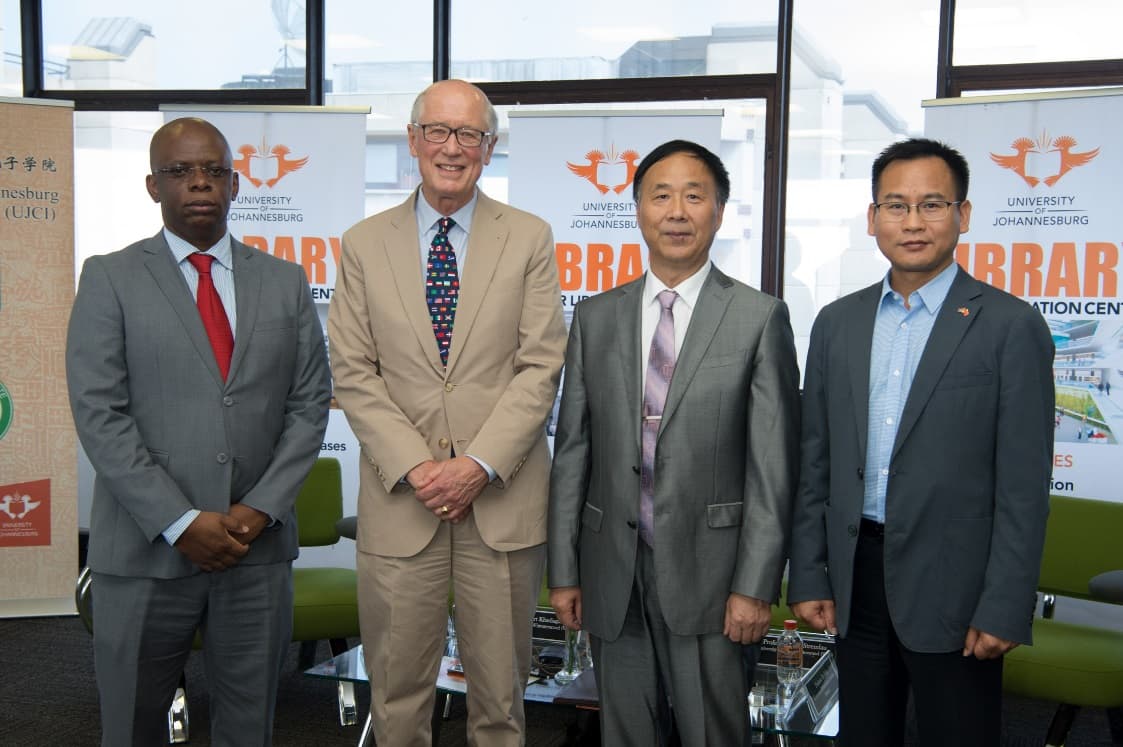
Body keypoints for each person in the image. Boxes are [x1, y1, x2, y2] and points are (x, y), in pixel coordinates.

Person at [66, 117, 332, 745]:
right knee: (133, 723)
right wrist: (181, 521)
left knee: (249, 725)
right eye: (180, 172)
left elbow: (309, 402)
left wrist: (260, 510)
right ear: (152, 186)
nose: (199, 184)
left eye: (213, 170)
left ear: (236, 185)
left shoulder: (285, 281)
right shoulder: (109, 277)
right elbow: (100, 412)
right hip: (143, 551)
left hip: (254, 549)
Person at [787, 137, 1055, 746]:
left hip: (958, 588)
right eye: (895, 205)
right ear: (873, 218)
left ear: (962, 215)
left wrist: (1004, 604)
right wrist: (808, 574)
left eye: (932, 205)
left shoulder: (1010, 326)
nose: (913, 222)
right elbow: (816, 461)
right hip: (856, 580)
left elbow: (1023, 484)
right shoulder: (837, 322)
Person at [327, 79, 566, 746]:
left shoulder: (528, 238)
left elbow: (540, 365)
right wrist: (420, 468)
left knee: (500, 699)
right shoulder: (362, 244)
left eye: (469, 135)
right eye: (437, 131)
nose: (451, 148)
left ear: (489, 149)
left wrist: (476, 465)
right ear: (412, 141)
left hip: (501, 504)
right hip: (402, 504)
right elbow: (353, 371)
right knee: (399, 698)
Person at [548, 139, 801, 745]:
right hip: (612, 571)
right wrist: (563, 570)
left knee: (711, 732)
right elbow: (572, 453)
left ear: (719, 210)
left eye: (695, 196)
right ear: (638, 209)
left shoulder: (758, 318)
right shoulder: (596, 317)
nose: (678, 212)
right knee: (625, 732)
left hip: (713, 579)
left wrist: (754, 586)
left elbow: (773, 469)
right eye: (661, 196)